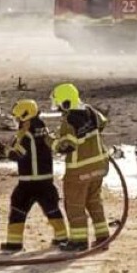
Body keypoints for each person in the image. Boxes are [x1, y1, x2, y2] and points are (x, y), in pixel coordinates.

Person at [0, 99, 68, 253]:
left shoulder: (27, 135)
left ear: (25, 116)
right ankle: (62, 238)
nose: (17, 121)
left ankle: (14, 243)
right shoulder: (42, 128)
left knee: (18, 209)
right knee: (52, 209)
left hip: (29, 182)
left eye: (18, 118)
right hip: (46, 181)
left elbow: (17, 155)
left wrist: (5, 151)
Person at [51, 83, 110, 252]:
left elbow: (65, 146)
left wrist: (50, 140)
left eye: (58, 103)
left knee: (74, 205)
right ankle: (103, 237)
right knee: (94, 202)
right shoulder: (91, 111)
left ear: (65, 102)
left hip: (79, 171)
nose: (58, 108)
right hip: (99, 167)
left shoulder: (69, 120)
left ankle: (79, 241)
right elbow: (102, 123)